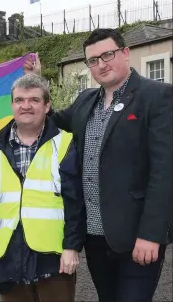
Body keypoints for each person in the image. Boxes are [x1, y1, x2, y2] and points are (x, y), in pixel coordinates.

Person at [24, 28, 173, 302]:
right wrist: (36, 83)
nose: (101, 64)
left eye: (107, 55)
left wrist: (151, 234)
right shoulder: (85, 101)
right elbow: (49, 123)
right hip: (94, 236)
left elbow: (164, 173)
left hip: (136, 237)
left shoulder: (157, 96)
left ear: (125, 53)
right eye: (93, 60)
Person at [0, 74, 86, 302]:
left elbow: (76, 201)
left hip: (53, 257)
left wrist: (72, 246)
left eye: (34, 99)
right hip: (8, 254)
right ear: (12, 105)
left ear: (47, 105)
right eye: (20, 100)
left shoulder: (65, 144)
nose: (26, 105)